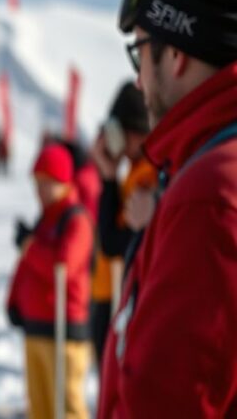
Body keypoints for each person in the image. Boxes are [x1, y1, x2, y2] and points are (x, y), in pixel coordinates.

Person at [100, 0, 237, 418]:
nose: (137, 79)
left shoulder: (211, 193)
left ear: (177, 54)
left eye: (141, 52)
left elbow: (167, 401)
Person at [7, 143, 93, 419]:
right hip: (36, 327)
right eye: (37, 183)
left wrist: (29, 246)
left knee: (67, 408)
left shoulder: (76, 219)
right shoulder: (45, 220)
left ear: (63, 182)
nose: (40, 190)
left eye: (47, 183)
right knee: (39, 408)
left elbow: (62, 266)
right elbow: (26, 268)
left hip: (64, 330)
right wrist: (13, 301)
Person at [87, 82, 154, 368]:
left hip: (122, 298)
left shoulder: (146, 176)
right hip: (110, 291)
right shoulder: (136, 172)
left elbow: (113, 241)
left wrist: (108, 177)